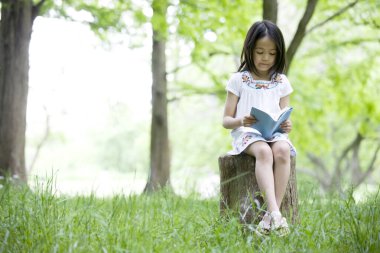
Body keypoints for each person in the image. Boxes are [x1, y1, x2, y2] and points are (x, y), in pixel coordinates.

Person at [222, 20, 296, 236]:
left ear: (279, 54)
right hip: (247, 134)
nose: (266, 58)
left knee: (282, 151)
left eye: (272, 53)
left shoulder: (281, 81)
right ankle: (276, 214)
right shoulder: (239, 80)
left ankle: (268, 217)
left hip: (273, 133)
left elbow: (285, 114)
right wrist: (241, 121)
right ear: (249, 50)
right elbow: (226, 120)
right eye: (260, 51)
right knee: (264, 152)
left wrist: (287, 125)